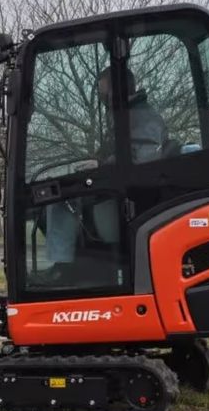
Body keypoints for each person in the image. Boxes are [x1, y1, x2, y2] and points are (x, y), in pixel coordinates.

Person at [37, 67, 168, 285]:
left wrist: (101, 165)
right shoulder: (127, 115)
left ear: (117, 90)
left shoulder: (142, 117)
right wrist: (95, 161)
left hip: (134, 194)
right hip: (120, 185)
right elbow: (117, 151)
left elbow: (141, 158)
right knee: (56, 195)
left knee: (59, 199)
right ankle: (78, 265)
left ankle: (64, 268)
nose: (102, 98)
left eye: (103, 93)